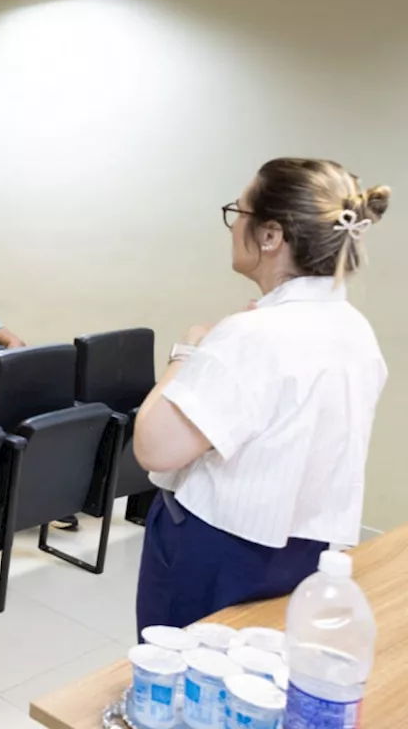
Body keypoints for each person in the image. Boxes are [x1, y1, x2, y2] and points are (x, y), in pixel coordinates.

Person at [133, 158, 390, 632]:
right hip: (305, 551)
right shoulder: (355, 330)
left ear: (271, 235)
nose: (233, 228)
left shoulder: (252, 335)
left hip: (219, 551)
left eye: (240, 213)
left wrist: (189, 349)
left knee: (184, 681)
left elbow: (154, 447)